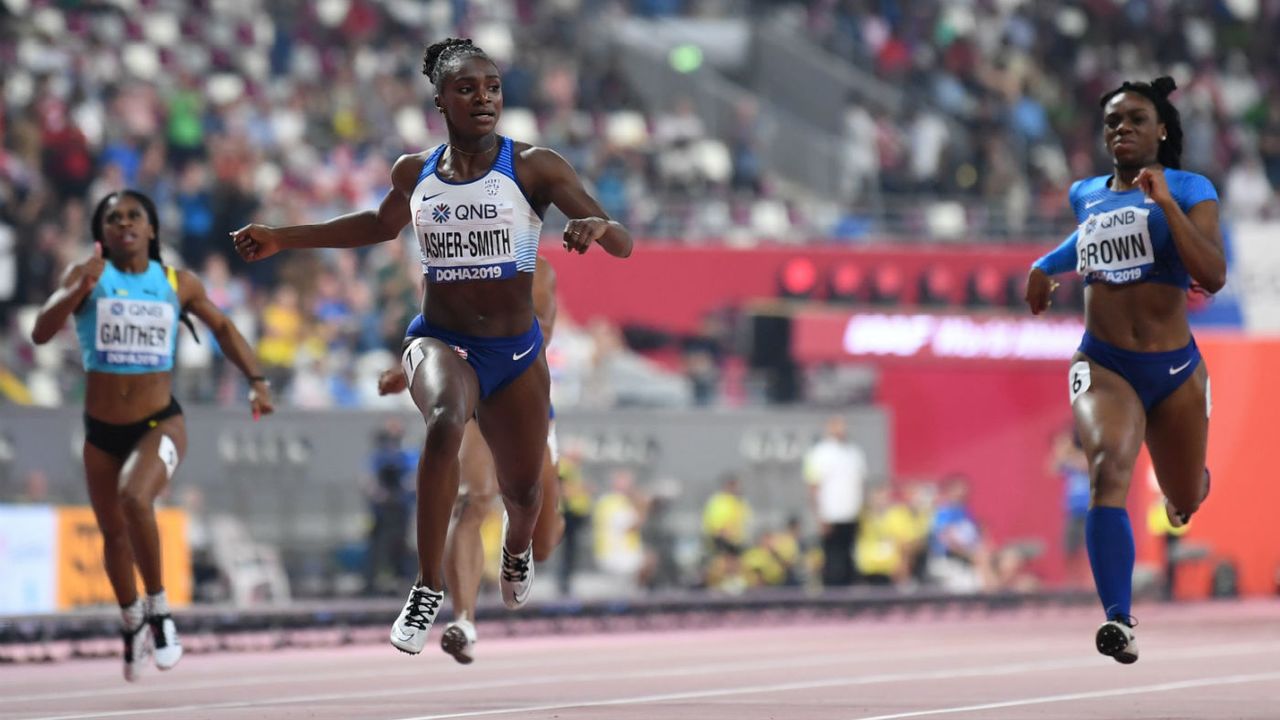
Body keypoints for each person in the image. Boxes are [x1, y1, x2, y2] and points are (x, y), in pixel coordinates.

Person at [231, 37, 632, 656]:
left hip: (515, 353)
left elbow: (622, 243)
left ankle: (516, 550)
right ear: (440, 99)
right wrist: (284, 238)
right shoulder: (413, 171)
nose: (483, 99)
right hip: (439, 340)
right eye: (467, 89)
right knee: (445, 425)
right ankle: (426, 586)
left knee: (523, 495)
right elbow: (375, 225)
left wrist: (596, 225)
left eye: (493, 88)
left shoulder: (534, 167)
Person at [31, 190, 274, 681]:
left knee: (135, 498)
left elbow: (224, 328)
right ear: (103, 234)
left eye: (134, 216)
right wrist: (74, 289)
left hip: (159, 422)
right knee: (113, 534)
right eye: (114, 219)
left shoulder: (175, 283)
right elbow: (40, 332)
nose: (124, 224)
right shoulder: (87, 277)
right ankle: (132, 619)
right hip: (100, 433)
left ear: (152, 229)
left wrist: (257, 381)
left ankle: (160, 610)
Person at [1025, 76, 1223, 664]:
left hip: (1176, 369)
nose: (1122, 130)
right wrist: (1045, 263)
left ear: (1161, 129)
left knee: (1183, 495)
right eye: (1113, 122)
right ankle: (1118, 618)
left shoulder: (1190, 188)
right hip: (1103, 361)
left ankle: (1192, 488)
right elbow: (1090, 233)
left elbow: (1211, 274)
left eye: (1136, 120)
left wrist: (1163, 201)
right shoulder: (1086, 191)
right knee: (1108, 468)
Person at [375, 255, 561, 663]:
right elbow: (438, 330)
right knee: (471, 500)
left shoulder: (538, 273)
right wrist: (409, 368)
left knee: (544, 539)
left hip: (520, 394)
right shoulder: (454, 261)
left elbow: (536, 336)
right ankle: (463, 620)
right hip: (474, 397)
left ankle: (518, 534)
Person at [803, 415, 868, 587]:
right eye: (837, 425)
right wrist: (819, 516)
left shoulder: (854, 452)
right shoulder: (819, 453)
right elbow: (813, 487)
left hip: (851, 514)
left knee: (849, 558)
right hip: (830, 514)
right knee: (833, 560)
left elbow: (860, 484)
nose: (841, 429)